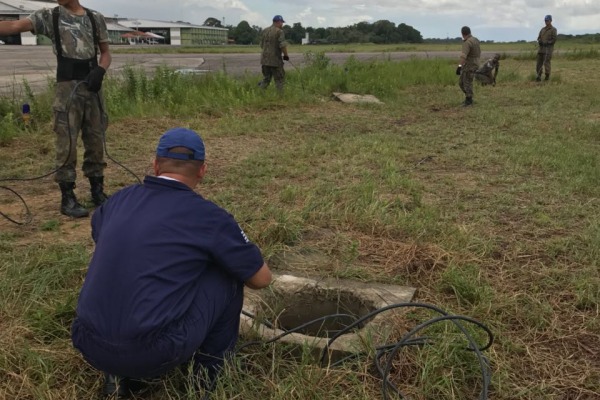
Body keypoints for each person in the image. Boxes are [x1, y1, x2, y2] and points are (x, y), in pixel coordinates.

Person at [71, 127, 272, 397]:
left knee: (123, 261)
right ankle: (207, 381)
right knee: (229, 276)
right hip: (153, 351)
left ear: (155, 165)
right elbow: (261, 279)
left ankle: (117, 378)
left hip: (87, 341)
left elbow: (101, 237)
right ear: (202, 171)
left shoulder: (118, 200)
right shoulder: (209, 217)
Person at [0, 0, 111, 218]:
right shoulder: (49, 17)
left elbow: (106, 53)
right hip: (66, 89)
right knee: (66, 143)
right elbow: (14, 27)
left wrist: (100, 70)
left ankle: (97, 190)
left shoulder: (94, 18)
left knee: (96, 140)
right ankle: (67, 197)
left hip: (93, 88)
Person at [258, 15, 289, 93]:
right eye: (281, 22)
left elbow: (261, 45)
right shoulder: (279, 31)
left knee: (266, 79)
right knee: (279, 80)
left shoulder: (265, 30)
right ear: (278, 22)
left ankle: (260, 93)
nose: (282, 24)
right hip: (275, 61)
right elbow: (282, 45)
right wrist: (286, 55)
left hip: (264, 60)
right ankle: (281, 96)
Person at [456, 26, 480, 107]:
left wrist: (459, 66)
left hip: (469, 65)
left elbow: (463, 56)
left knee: (466, 83)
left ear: (462, 34)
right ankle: (469, 98)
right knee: (463, 82)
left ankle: (469, 100)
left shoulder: (467, 42)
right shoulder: (475, 40)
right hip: (476, 63)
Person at [536, 15, 557, 82]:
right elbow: (538, 38)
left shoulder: (553, 29)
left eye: (547, 20)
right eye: (545, 20)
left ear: (551, 21)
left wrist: (548, 42)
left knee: (546, 63)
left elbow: (554, 39)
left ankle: (547, 77)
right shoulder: (542, 29)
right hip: (541, 50)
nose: (546, 22)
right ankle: (539, 76)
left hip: (548, 50)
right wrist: (540, 41)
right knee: (538, 64)